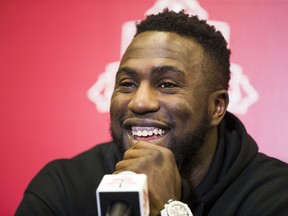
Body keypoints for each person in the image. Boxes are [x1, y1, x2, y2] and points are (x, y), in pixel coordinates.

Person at [16, 9, 288, 216]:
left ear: (216, 107)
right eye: (127, 84)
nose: (139, 102)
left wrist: (170, 210)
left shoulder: (275, 195)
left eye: (167, 84)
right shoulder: (64, 186)